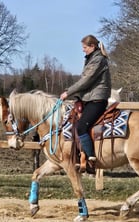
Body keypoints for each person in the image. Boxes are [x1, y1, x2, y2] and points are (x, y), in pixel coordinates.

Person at [60, 34, 111, 165]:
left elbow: (86, 81)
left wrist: (68, 92)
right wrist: (77, 97)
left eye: (85, 47)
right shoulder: (92, 59)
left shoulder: (98, 60)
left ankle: (90, 157)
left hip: (97, 100)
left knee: (82, 126)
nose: (83, 50)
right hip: (90, 98)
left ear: (92, 46)